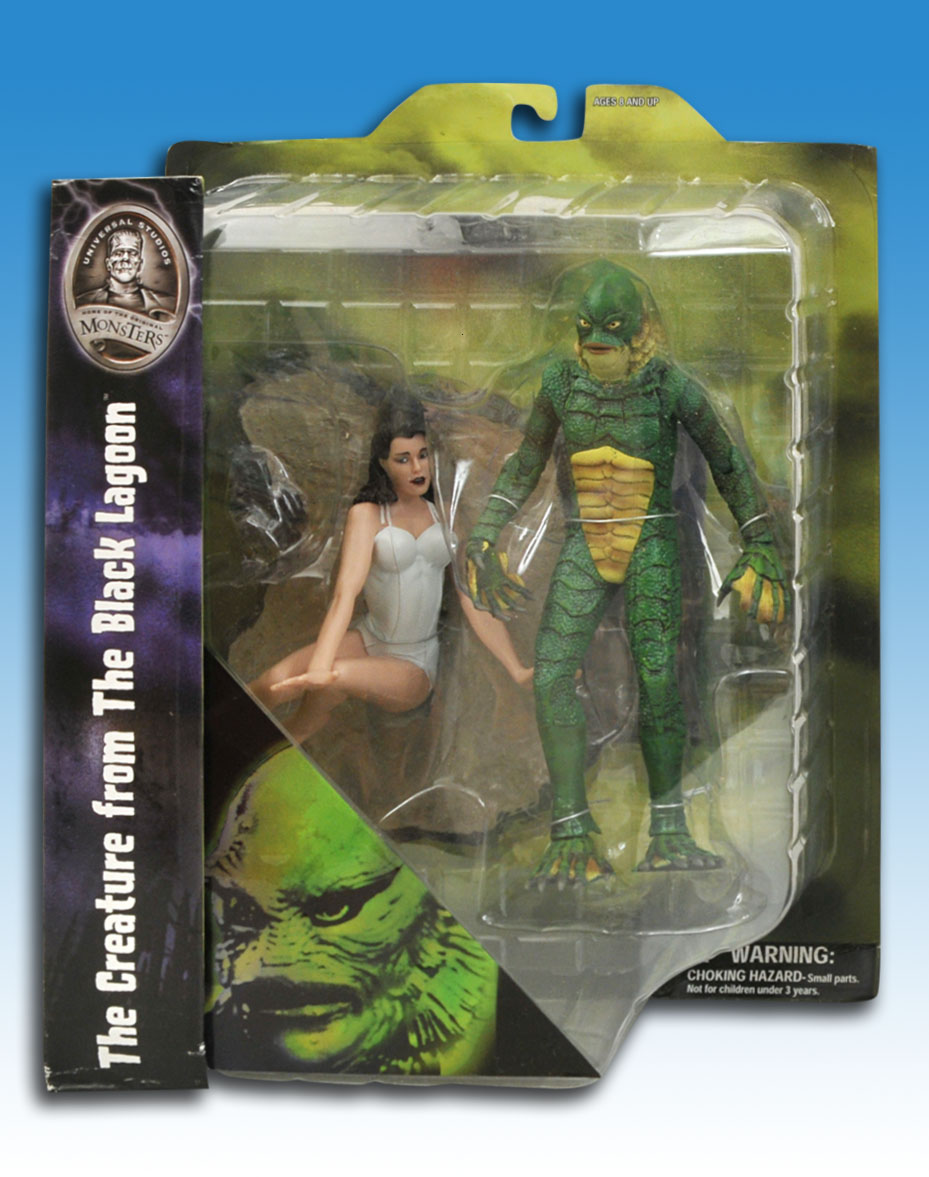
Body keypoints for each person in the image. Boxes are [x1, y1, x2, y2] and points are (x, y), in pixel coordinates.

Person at [466, 262, 789, 885]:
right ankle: (570, 831)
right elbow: (527, 460)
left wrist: (759, 542)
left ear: (639, 329)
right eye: (587, 327)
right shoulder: (559, 382)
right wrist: (485, 532)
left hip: (651, 541)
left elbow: (727, 460)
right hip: (585, 539)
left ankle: (669, 831)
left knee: (660, 679)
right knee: (551, 674)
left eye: (611, 327)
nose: (597, 341)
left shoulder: (671, 385)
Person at [251, 392, 531, 742]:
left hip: (415, 664)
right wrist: (319, 663)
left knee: (336, 676)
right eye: (403, 459)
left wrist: (516, 669)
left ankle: (306, 719)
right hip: (369, 639)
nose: (417, 468)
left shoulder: (446, 515)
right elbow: (345, 594)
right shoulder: (367, 514)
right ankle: (241, 737)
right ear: (383, 463)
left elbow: (470, 596)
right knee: (271, 684)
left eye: (423, 455)